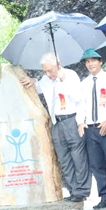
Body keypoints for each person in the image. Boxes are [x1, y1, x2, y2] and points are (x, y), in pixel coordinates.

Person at [20, 53, 88, 202]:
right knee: (64, 158)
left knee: (78, 157)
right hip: (56, 121)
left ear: (58, 65)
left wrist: (64, 81)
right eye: (45, 71)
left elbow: (78, 98)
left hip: (71, 119)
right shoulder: (46, 79)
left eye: (50, 70)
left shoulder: (70, 75)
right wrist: (33, 81)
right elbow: (39, 87)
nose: (48, 74)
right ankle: (72, 189)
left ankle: (82, 190)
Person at [79, 48, 106, 209]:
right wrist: (80, 122)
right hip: (90, 127)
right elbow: (81, 104)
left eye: (93, 60)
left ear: (101, 61)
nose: (90, 64)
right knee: (96, 164)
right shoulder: (84, 84)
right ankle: (104, 196)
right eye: (87, 61)